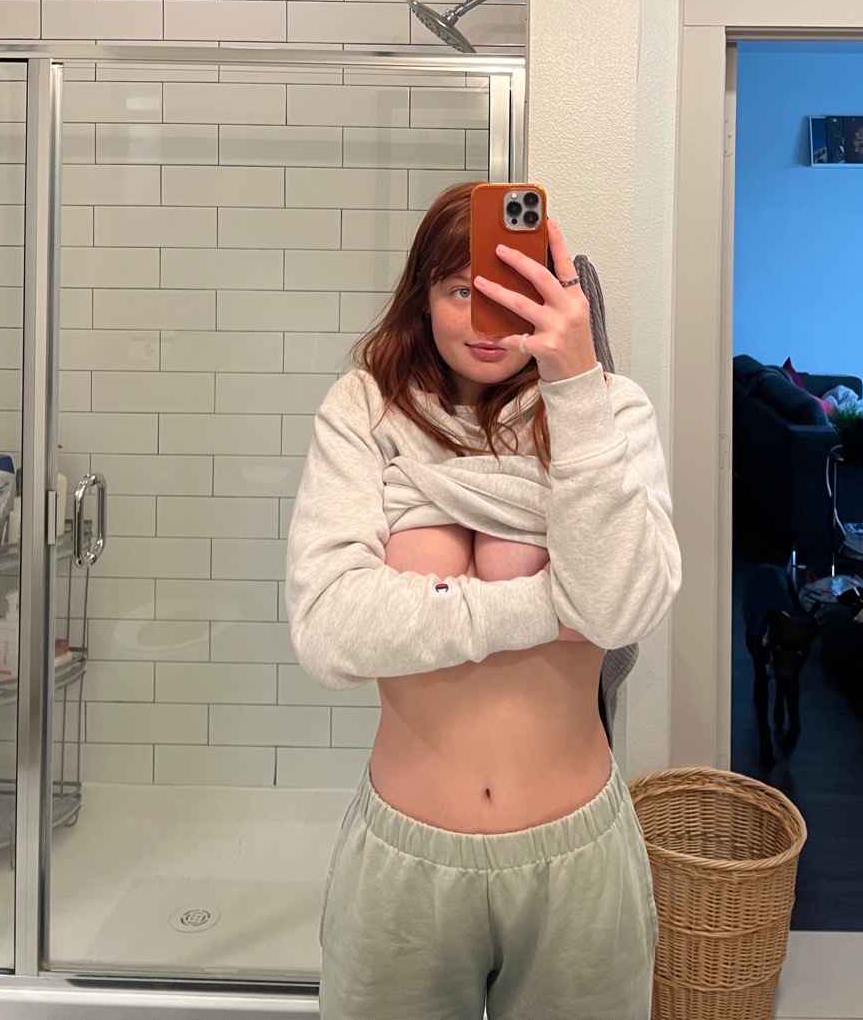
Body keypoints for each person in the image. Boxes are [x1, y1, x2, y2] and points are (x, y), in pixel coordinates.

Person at [285, 181, 681, 1019]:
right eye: (460, 289)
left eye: (510, 289)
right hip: (404, 863)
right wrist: (544, 607)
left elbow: (621, 608)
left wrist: (576, 385)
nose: (485, 318)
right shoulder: (366, 409)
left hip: (579, 859)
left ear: (555, 291)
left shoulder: (612, 411)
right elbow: (327, 627)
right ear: (422, 297)